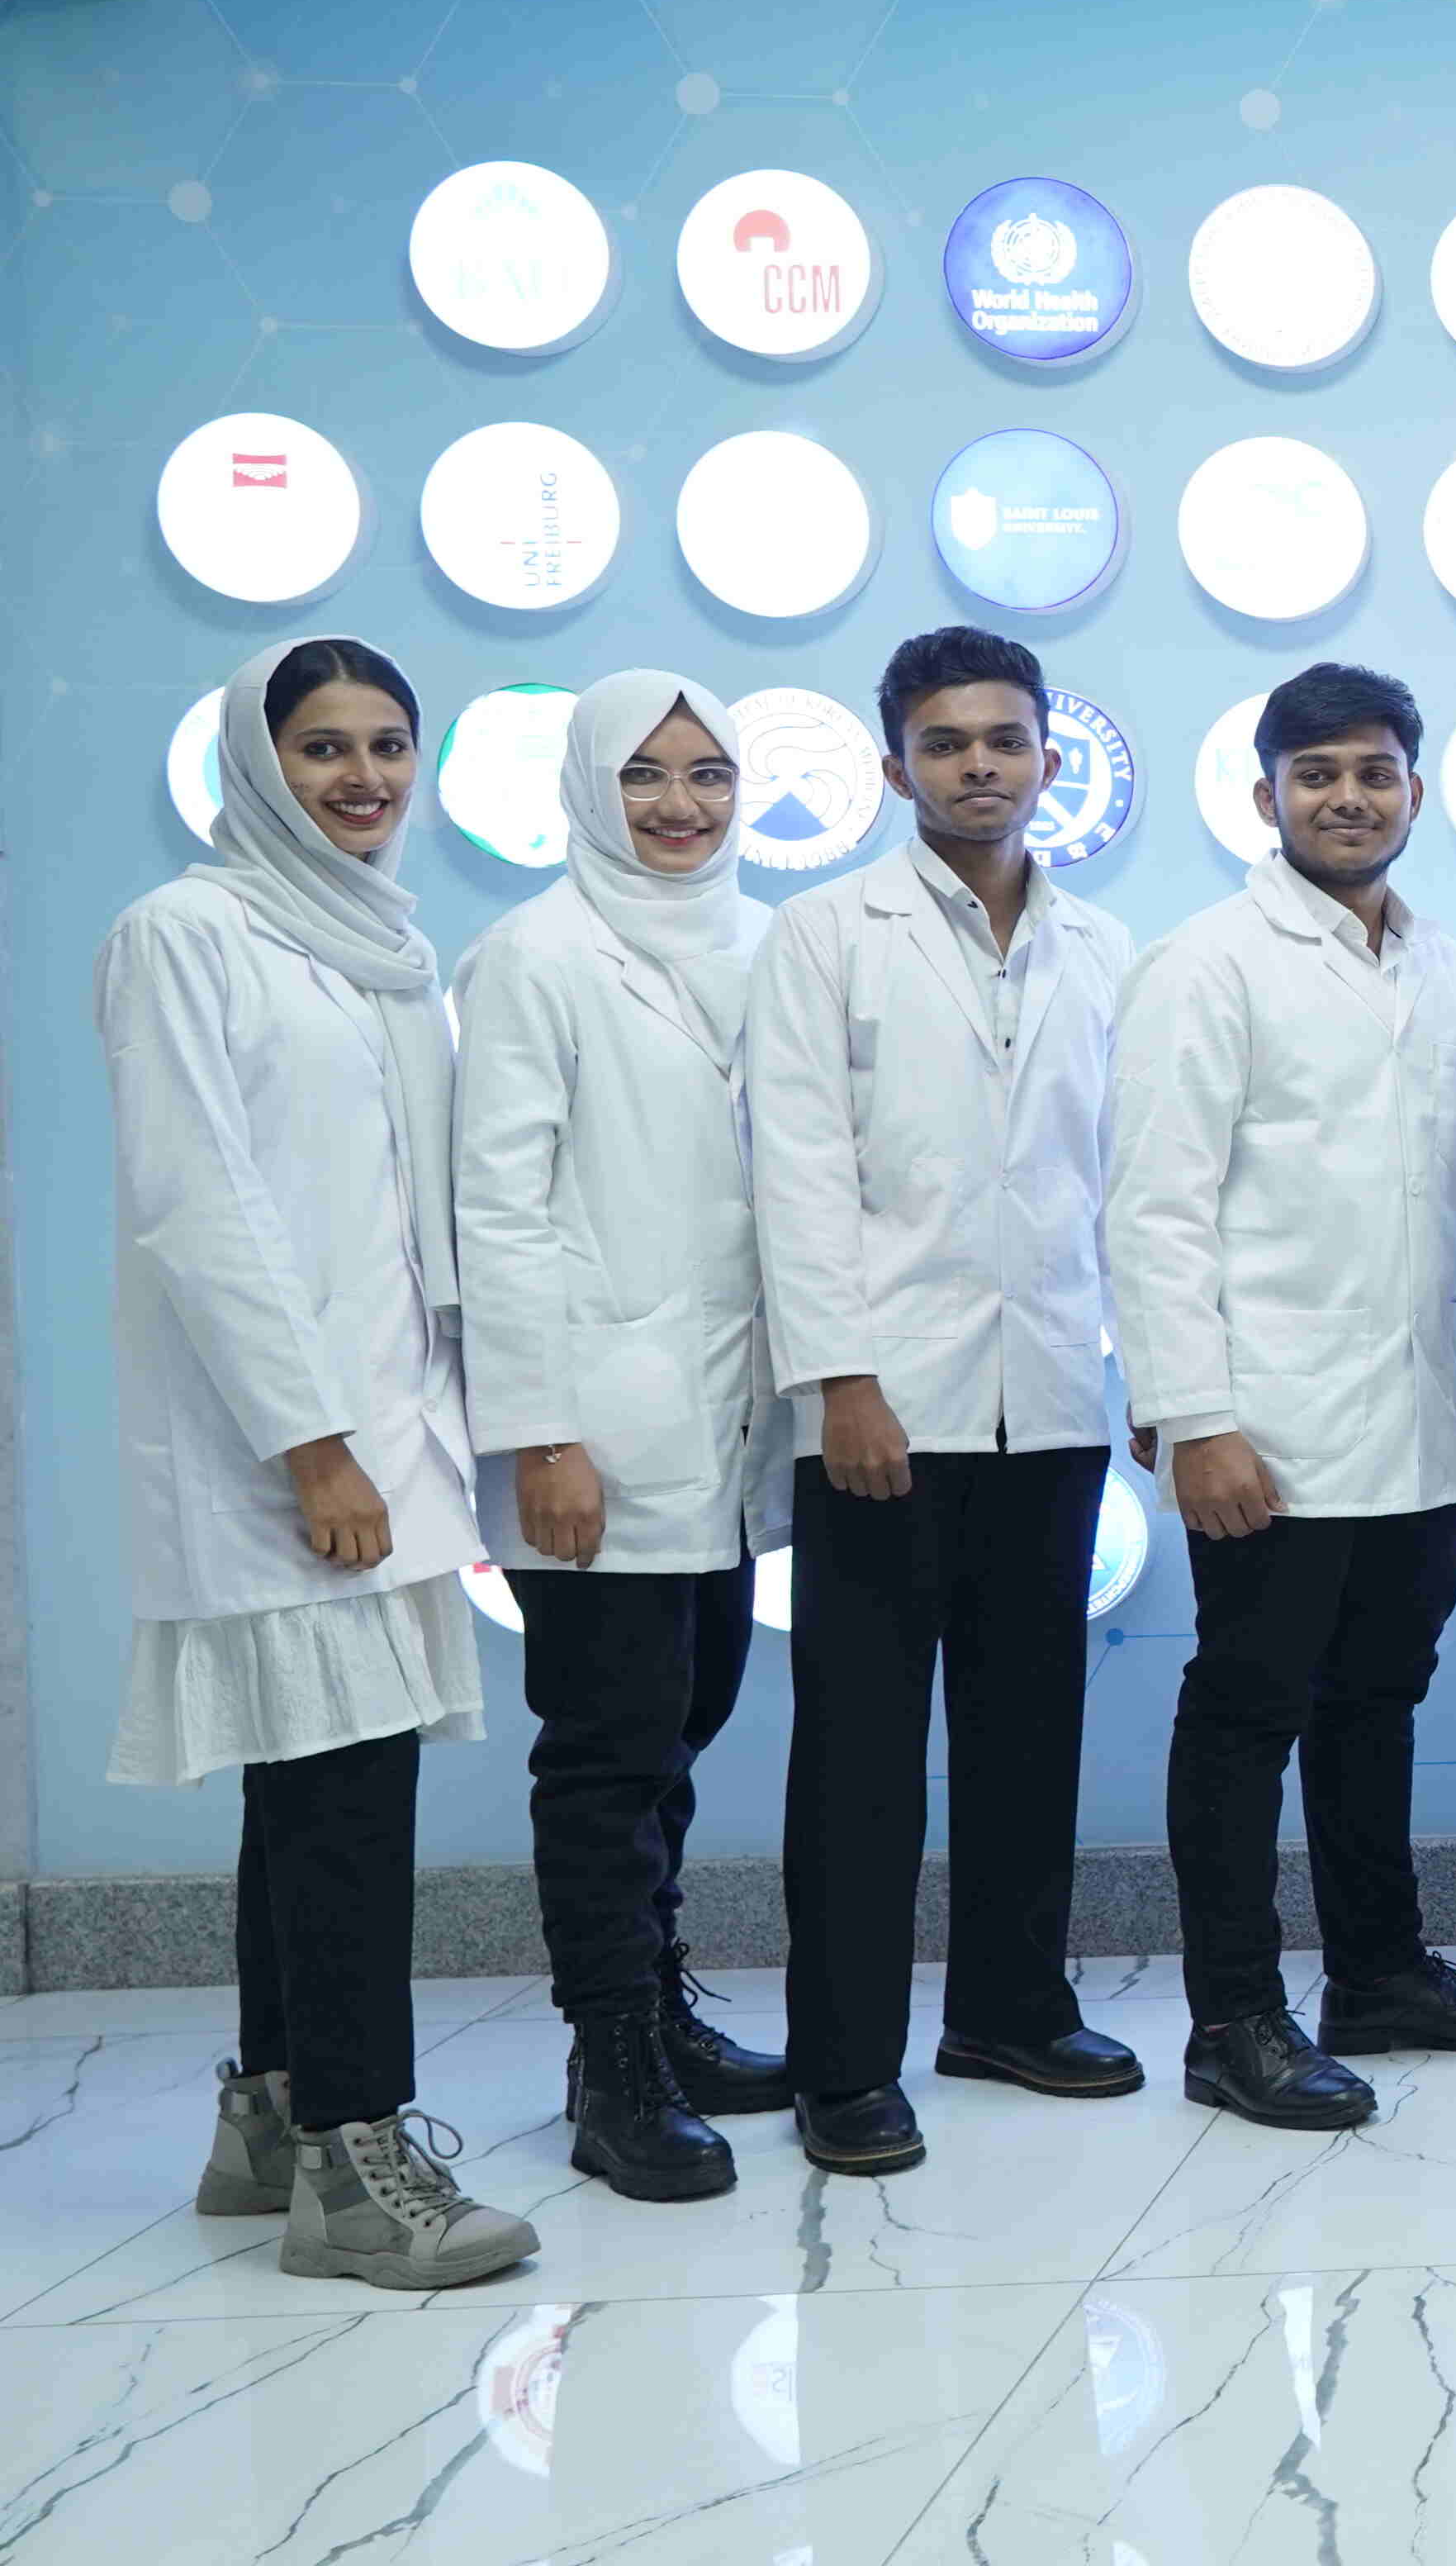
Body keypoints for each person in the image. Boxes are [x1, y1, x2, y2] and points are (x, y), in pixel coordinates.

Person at [107, 637, 538, 2290]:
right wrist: (314, 1444)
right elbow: (197, 1202)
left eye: (385, 745)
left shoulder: (382, 946)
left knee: (307, 1788)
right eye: (320, 747)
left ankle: (273, 2120)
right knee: (347, 1804)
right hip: (288, 1445)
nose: (361, 777)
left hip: (392, 1427)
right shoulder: (186, 933)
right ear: (254, 761)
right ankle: (359, 2173)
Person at [1111, 663, 1456, 2133]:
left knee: (1379, 1704)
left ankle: (1380, 1974)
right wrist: (1195, 1415)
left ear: (1415, 789)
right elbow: (1154, 1207)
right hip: (1268, 1429)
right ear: (1267, 795)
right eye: (1318, 775)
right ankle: (1233, 2017)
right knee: (1247, 1716)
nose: (1348, 798)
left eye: (1373, 772)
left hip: (1422, 1416)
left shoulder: (1453, 973)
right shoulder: (1207, 964)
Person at [750, 626, 1140, 2174]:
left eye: (1005, 738)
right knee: (858, 1753)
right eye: (945, 741)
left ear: (1049, 751)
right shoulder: (824, 934)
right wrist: (841, 1380)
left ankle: (1009, 2008)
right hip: (884, 1414)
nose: (980, 763)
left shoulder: (1104, 950)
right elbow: (796, 1171)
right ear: (895, 762)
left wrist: (1151, 1377)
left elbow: (1130, 1187)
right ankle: (844, 2063)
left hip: (1048, 1398)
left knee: (1030, 1731)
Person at [454, 671, 794, 2205]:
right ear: (590, 789)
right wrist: (541, 1431)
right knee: (605, 1754)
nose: (679, 804)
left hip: (727, 1416)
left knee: (685, 1723)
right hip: (593, 1421)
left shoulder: (770, 943)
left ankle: (660, 2013)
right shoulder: (533, 957)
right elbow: (500, 1208)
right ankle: (611, 2067)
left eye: (707, 774)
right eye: (645, 776)